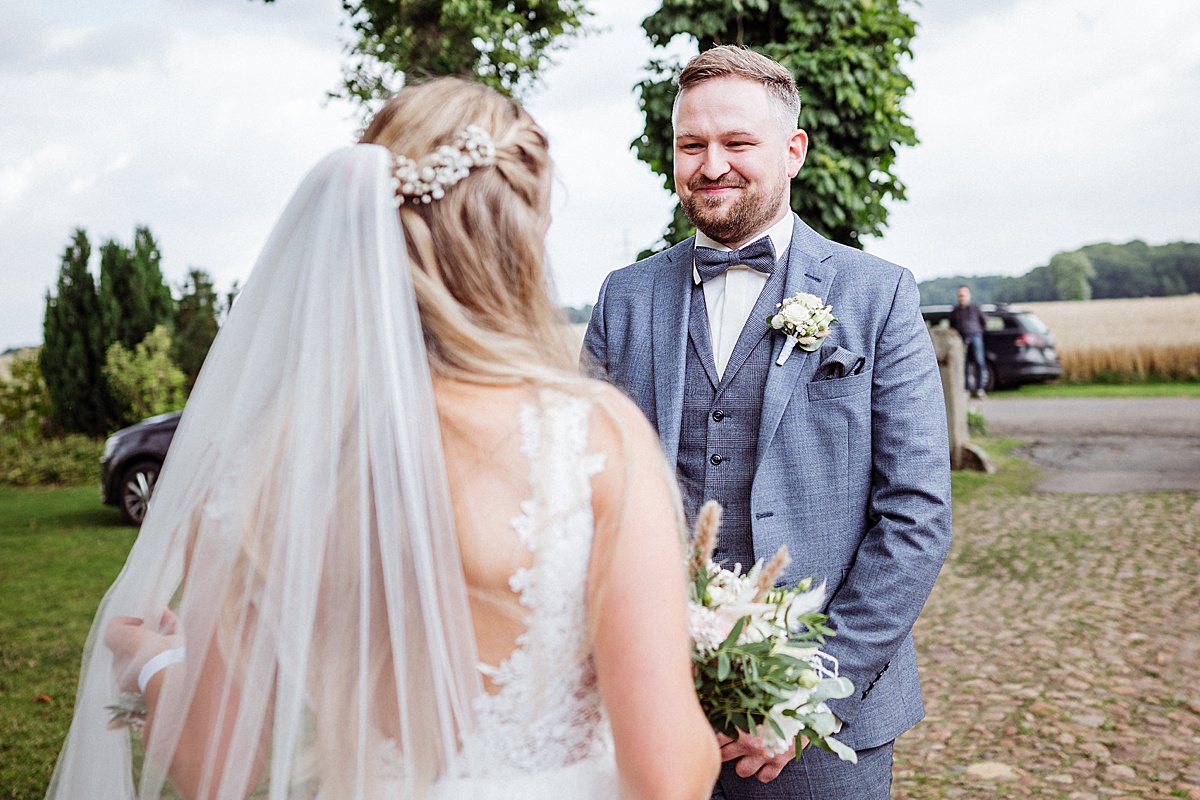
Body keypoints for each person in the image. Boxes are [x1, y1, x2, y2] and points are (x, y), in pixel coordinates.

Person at [47, 78, 719, 800]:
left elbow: (218, 770)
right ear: (519, 240)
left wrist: (154, 663)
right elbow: (666, 775)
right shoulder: (587, 436)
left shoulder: (268, 461)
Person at [583, 46, 952, 800]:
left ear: (793, 152)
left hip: (826, 724)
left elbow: (916, 513)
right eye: (692, 145)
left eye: (736, 143)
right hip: (651, 704)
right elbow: (581, 497)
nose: (711, 164)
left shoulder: (877, 296)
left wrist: (808, 690)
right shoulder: (624, 298)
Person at [949, 285, 989, 398]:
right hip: (961, 338)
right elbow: (952, 325)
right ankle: (966, 388)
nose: (962, 298)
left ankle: (980, 388)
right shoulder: (955, 310)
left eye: (964, 295)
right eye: (960, 295)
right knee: (963, 364)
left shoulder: (975, 308)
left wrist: (979, 332)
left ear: (968, 295)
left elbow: (984, 322)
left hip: (975, 335)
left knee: (979, 362)